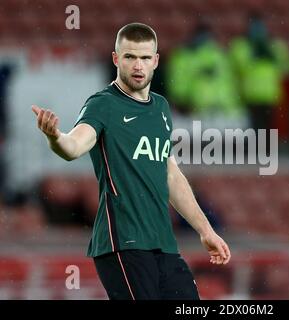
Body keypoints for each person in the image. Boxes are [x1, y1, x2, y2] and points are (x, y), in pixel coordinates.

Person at [31, 23, 231, 300]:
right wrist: (56, 137)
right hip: (122, 243)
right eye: (130, 57)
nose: (138, 65)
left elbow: (170, 173)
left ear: (156, 61)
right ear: (116, 59)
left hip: (163, 244)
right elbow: (74, 146)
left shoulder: (161, 108)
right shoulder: (103, 104)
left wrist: (205, 230)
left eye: (145, 58)